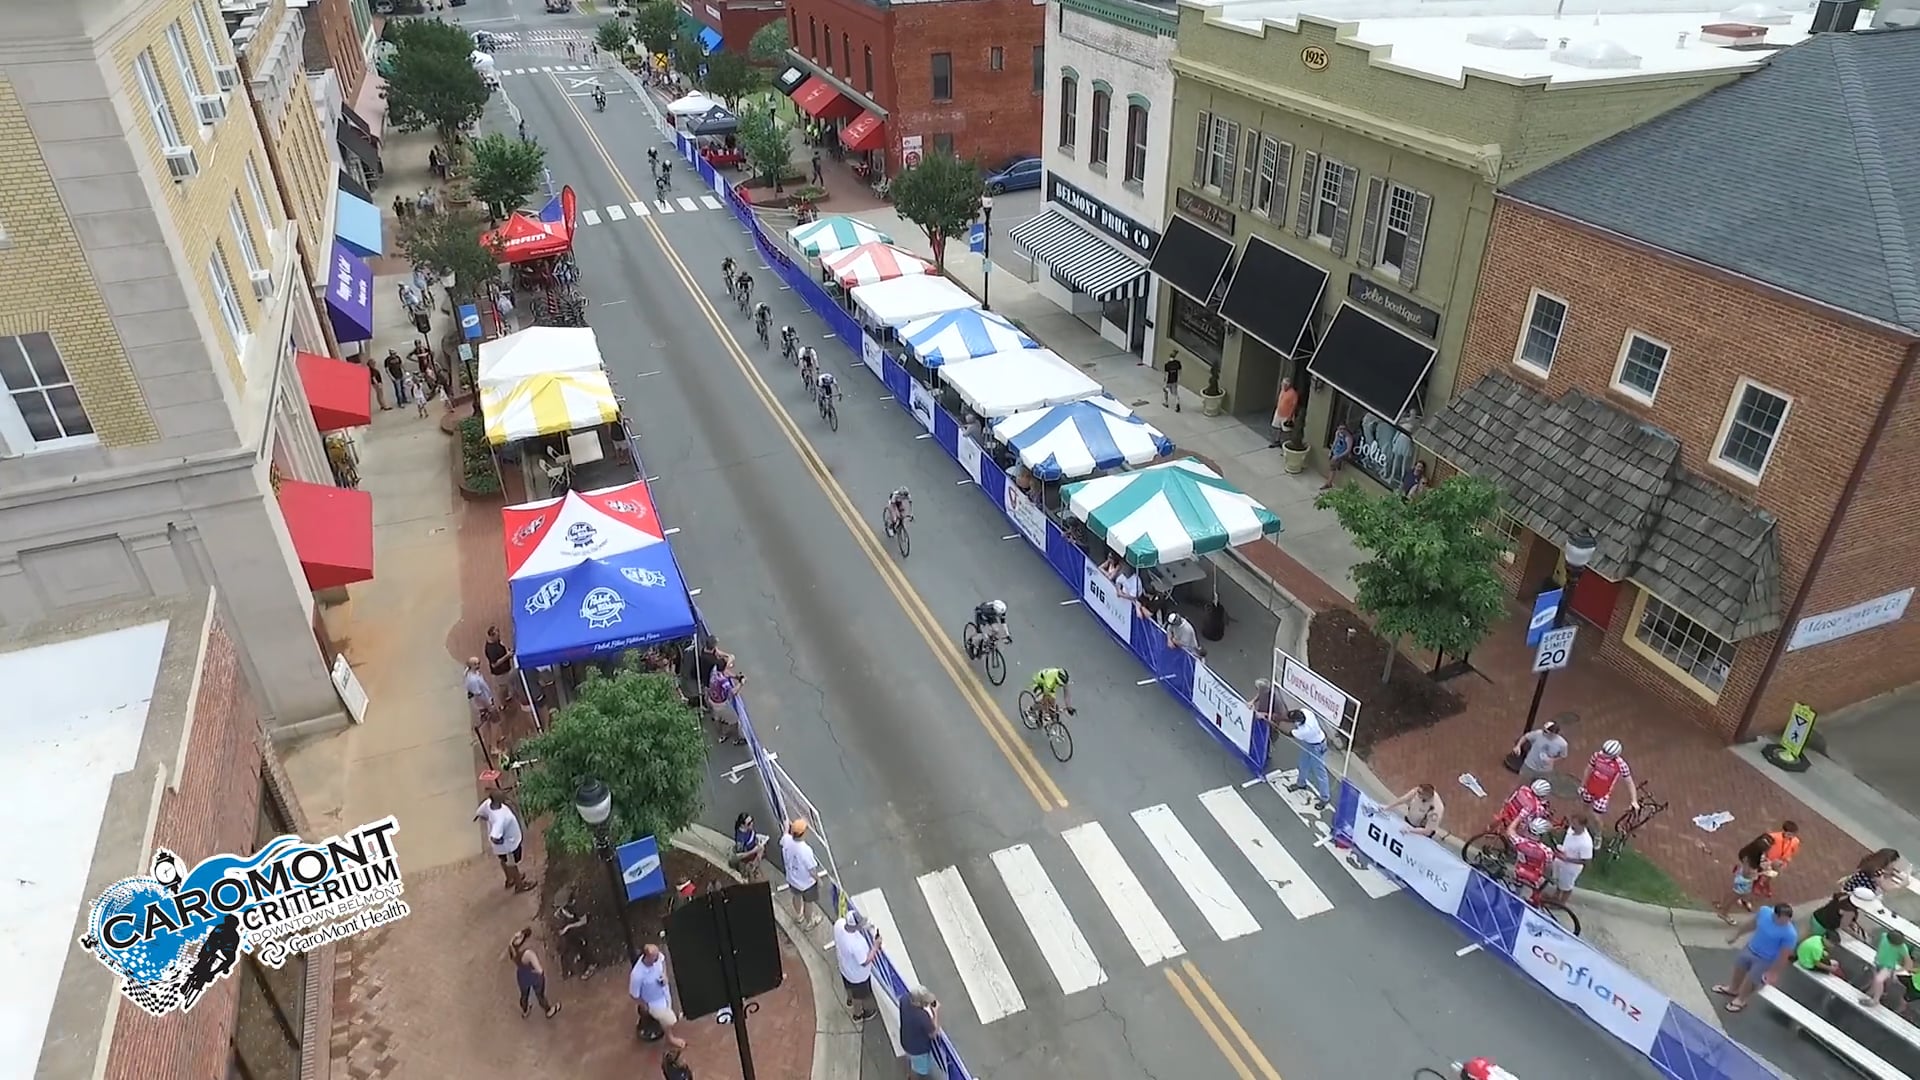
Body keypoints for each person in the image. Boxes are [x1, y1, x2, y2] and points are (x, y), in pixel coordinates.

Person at [1716, 903, 1798, 1012]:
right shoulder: (1764, 912)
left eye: (1787, 920)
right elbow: (1751, 924)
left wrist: (1774, 973)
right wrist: (1736, 935)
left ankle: (1741, 1000)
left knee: (1752, 980)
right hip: (1751, 948)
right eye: (1782, 920)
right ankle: (1733, 989)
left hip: (1766, 959)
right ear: (1775, 915)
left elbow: (1785, 954)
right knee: (1739, 968)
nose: (1785, 923)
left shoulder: (1790, 934)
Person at [474, 790, 535, 892]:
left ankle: (510, 879)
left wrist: (489, 819)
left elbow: (479, 814)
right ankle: (519, 885)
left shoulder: (487, 804)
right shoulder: (500, 819)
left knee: (504, 861)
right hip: (509, 846)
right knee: (512, 864)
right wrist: (502, 842)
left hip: (501, 848)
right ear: (499, 800)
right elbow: (495, 837)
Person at [630, 943, 687, 1049]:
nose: (657, 958)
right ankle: (670, 1038)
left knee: (673, 1011)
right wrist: (645, 1006)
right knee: (670, 1020)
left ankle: (665, 1023)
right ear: (647, 957)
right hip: (653, 1002)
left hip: (664, 992)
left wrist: (664, 974)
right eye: (655, 957)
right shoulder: (637, 975)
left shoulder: (657, 958)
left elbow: (662, 960)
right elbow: (634, 995)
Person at [1278, 707, 1331, 809]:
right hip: (1308, 742)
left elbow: (1289, 733)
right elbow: (1290, 718)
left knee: (1320, 772)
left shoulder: (1305, 731)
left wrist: (1276, 725)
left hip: (1317, 746)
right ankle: (1301, 783)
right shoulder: (1306, 712)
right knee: (1303, 763)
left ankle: (1325, 797)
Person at [832, 910, 881, 1021]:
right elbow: (865, 961)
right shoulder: (857, 944)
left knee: (848, 987)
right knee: (858, 997)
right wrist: (875, 947)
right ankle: (858, 1013)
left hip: (844, 968)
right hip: (858, 976)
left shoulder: (839, 925)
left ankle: (849, 999)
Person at [1713, 833, 1772, 923]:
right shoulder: (1751, 861)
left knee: (1733, 893)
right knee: (1735, 896)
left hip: (1741, 876)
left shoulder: (1749, 852)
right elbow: (1748, 874)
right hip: (1745, 880)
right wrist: (1763, 873)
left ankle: (1722, 905)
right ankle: (1724, 913)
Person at [781, 818, 824, 930]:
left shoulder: (787, 840)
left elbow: (785, 835)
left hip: (792, 879)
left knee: (796, 896)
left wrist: (786, 827)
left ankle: (799, 915)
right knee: (808, 903)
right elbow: (811, 869)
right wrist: (818, 880)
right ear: (803, 833)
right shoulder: (805, 850)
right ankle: (810, 922)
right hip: (807, 883)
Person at [509, 928, 562, 1018]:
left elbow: (512, 943)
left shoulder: (512, 948)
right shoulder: (529, 954)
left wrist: (515, 937)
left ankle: (525, 1011)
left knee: (524, 995)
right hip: (534, 977)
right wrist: (538, 972)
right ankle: (548, 1011)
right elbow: (539, 970)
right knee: (540, 995)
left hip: (522, 975)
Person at [1579, 738, 1639, 815]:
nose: (1603, 754)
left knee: (1597, 812)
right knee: (1585, 805)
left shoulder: (1621, 764)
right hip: (1590, 787)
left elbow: (1629, 782)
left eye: (1607, 754)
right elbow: (1588, 769)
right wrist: (1582, 785)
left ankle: (1595, 820)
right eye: (1603, 751)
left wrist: (1634, 800)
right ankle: (1583, 817)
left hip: (1604, 793)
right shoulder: (1597, 755)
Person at [1547, 813, 1594, 904]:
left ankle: (1561, 903)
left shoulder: (1586, 843)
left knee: (1567, 886)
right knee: (1560, 882)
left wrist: (1567, 859)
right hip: (1561, 860)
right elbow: (1566, 829)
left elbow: (1587, 862)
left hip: (1571, 868)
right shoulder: (1572, 829)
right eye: (1572, 822)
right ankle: (1555, 898)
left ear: (1582, 825)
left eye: (1575, 824)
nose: (1572, 825)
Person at [1863, 930, 1914, 1008]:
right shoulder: (1884, 936)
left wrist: (1897, 971)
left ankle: (1876, 1000)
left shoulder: (1902, 947)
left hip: (1888, 967)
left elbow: (1909, 964)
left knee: (1878, 980)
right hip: (1878, 962)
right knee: (1875, 983)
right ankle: (1870, 994)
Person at [552, 887, 594, 979]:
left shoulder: (579, 907)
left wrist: (568, 927)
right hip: (572, 929)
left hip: (582, 928)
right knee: (566, 945)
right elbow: (560, 913)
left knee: (583, 945)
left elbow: (584, 921)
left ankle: (590, 965)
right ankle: (568, 967)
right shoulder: (564, 909)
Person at [1753, 821, 1800, 902]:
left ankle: (1765, 884)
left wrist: (1787, 860)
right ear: (1784, 831)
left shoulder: (1795, 841)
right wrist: (1765, 859)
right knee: (1762, 872)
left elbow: (1793, 851)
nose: (1791, 837)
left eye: (1793, 835)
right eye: (1789, 834)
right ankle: (1757, 884)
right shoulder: (1773, 837)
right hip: (1768, 860)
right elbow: (1762, 847)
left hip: (1780, 862)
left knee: (1771, 874)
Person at [1512, 719, 1569, 785]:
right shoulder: (1538, 734)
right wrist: (1518, 746)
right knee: (1521, 785)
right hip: (1529, 766)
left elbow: (1562, 756)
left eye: (1546, 732)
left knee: (1539, 788)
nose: (1543, 732)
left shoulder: (1562, 744)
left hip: (1544, 771)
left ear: (1553, 733)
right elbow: (1526, 737)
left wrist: (1552, 760)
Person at [900, 988, 941, 1078]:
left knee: (911, 1060)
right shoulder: (922, 1016)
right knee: (922, 1071)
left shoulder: (904, 999)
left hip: (906, 1040)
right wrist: (936, 1013)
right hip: (918, 1050)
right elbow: (933, 1033)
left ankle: (909, 1073)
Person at [1510, 818, 1555, 894]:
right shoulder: (1547, 851)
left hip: (1518, 874)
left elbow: (1510, 830)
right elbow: (1548, 869)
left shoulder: (1519, 841)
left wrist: (1520, 816)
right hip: (1534, 881)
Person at [732, 812, 769, 878]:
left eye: (752, 820)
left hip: (754, 847)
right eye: (749, 823)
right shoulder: (740, 839)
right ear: (743, 825)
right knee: (761, 850)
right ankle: (752, 869)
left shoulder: (749, 829)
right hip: (748, 855)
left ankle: (755, 865)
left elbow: (752, 836)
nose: (752, 824)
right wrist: (754, 850)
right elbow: (739, 855)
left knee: (762, 848)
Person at [1268, 377, 1299, 446]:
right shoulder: (1282, 390)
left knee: (1286, 431)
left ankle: (1285, 444)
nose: (1283, 386)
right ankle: (1276, 441)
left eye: (1285, 385)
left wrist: (1290, 416)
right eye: (1282, 384)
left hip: (1286, 415)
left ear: (1288, 385)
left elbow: (1294, 405)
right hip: (1279, 412)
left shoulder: (1293, 394)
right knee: (1276, 428)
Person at [1322, 422, 1353, 489]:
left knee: (1332, 464)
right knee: (1331, 463)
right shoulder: (1338, 433)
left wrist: (1338, 456)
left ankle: (1329, 483)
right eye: (1340, 429)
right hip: (1336, 452)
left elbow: (1348, 450)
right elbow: (1335, 442)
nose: (1342, 430)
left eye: (1344, 429)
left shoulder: (1348, 438)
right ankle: (1330, 479)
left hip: (1343, 453)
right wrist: (1331, 451)